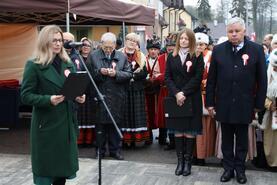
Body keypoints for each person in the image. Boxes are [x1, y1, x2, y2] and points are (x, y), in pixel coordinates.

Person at [21, 25, 86, 185]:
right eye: (54, 40)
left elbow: (71, 88)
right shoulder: (34, 65)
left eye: (60, 40)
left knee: (61, 173)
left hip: (66, 125)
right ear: (45, 42)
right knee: (45, 172)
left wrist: (78, 96)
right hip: (46, 126)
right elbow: (25, 96)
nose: (58, 44)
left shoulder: (68, 63)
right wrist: (48, 100)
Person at [206, 17, 267, 184]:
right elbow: (211, 79)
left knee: (242, 140)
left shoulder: (256, 50)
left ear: (244, 31)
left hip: (245, 104)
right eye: (230, 32)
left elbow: (262, 81)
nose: (233, 34)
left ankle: (240, 170)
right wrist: (210, 102)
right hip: (224, 103)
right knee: (226, 140)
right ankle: (228, 169)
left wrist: (258, 105)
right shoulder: (218, 50)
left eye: (237, 31)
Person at [165, 28, 204, 176]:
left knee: (189, 131)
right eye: (181, 38)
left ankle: (188, 163)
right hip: (176, 99)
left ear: (191, 41)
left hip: (191, 98)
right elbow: (167, 77)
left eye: (187, 39)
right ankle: (179, 162)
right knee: (178, 131)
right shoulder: (171, 56)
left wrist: (183, 93)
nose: (183, 41)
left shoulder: (197, 56)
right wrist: (176, 93)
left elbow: (198, 78)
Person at [87, 32, 131, 160]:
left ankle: (115, 150)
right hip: (99, 95)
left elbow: (129, 74)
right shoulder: (93, 56)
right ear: (101, 44)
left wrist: (116, 74)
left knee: (115, 124)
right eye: (105, 47)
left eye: (111, 47)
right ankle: (99, 151)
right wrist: (100, 72)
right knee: (100, 125)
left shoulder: (121, 56)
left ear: (115, 45)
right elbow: (89, 75)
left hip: (117, 96)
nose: (108, 50)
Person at [119, 32, 150, 147]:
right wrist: (128, 75)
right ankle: (125, 140)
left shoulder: (141, 56)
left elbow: (145, 72)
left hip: (137, 89)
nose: (132, 42)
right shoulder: (119, 54)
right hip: (123, 88)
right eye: (130, 40)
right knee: (125, 114)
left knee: (136, 115)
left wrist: (135, 75)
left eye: (134, 41)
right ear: (125, 41)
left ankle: (135, 139)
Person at [194, 32, 216, 166]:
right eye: (196, 44)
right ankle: (194, 154)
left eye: (201, 44)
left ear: (206, 45)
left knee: (206, 126)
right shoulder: (192, 55)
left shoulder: (212, 57)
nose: (199, 47)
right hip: (194, 95)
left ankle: (204, 154)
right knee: (194, 126)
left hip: (207, 95)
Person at [156, 34, 177, 150]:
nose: (170, 47)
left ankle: (174, 141)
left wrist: (162, 76)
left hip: (174, 91)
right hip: (163, 90)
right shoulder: (160, 58)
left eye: (173, 45)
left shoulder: (179, 56)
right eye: (168, 45)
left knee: (173, 116)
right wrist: (163, 77)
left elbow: (176, 76)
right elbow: (155, 76)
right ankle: (163, 138)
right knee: (163, 116)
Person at [258, 49, 277, 168]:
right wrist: (269, 104)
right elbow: (259, 91)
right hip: (270, 113)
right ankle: (271, 163)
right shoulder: (266, 71)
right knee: (270, 141)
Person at [76, 37, 96, 148]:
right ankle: (79, 140)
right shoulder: (76, 57)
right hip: (79, 90)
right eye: (83, 45)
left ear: (91, 47)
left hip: (90, 91)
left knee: (90, 116)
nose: (85, 47)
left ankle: (89, 140)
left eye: (88, 45)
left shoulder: (93, 58)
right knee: (79, 116)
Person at [144, 35, 161, 145]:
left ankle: (163, 136)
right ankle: (148, 136)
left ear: (158, 50)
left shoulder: (162, 60)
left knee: (160, 113)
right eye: (151, 49)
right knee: (148, 114)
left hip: (158, 91)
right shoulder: (143, 60)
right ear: (148, 51)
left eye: (155, 49)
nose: (153, 52)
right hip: (146, 91)